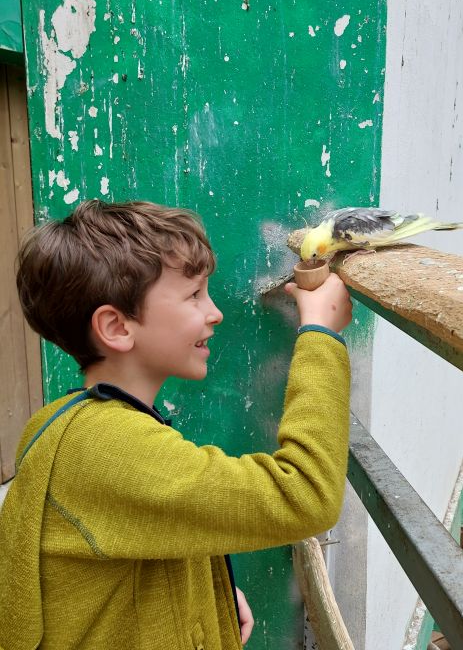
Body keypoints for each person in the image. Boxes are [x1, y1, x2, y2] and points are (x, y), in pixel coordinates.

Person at [0, 199, 352, 650]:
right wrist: (321, 334)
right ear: (116, 327)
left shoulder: (69, 423)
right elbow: (306, 494)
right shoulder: (109, 447)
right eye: (193, 295)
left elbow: (126, 553)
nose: (214, 312)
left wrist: (207, 595)